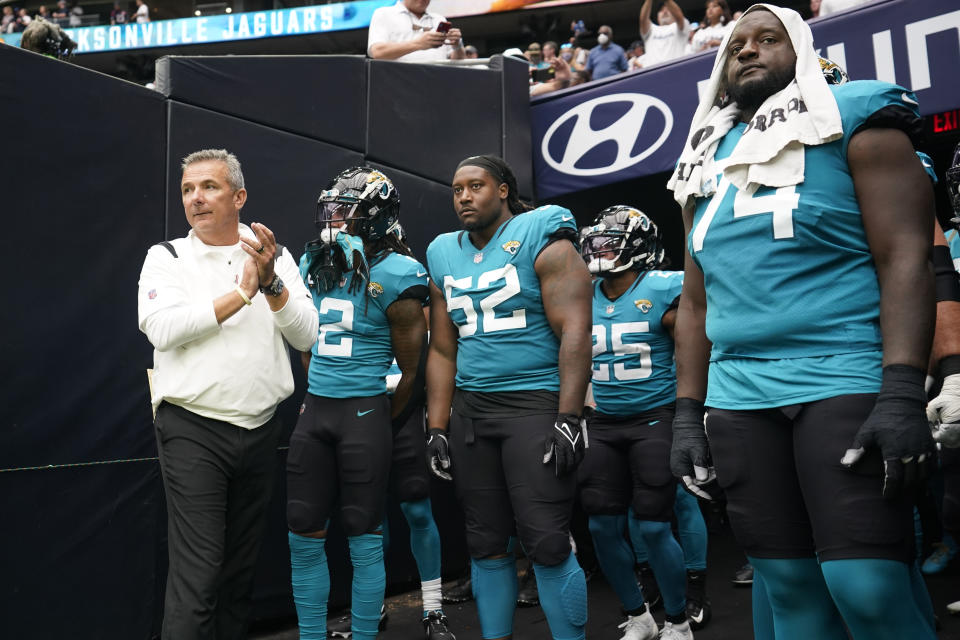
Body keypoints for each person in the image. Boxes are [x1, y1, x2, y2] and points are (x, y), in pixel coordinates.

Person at [667, 4, 937, 639]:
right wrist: (686, 412)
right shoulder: (705, 155)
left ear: (806, 51)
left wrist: (901, 390)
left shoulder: (855, 117)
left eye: (769, 39)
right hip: (739, 392)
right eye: (737, 44)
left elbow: (906, 257)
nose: (749, 51)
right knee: (787, 588)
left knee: (865, 588)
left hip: (842, 370)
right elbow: (697, 299)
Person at [137, 149, 317, 640]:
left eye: (209, 187)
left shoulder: (270, 254)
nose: (196, 198)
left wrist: (271, 280)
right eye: (188, 190)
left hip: (260, 428)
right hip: (192, 429)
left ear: (239, 196)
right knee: (199, 576)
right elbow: (162, 328)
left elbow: (307, 336)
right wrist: (241, 294)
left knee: (239, 573)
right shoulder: (167, 256)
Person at [425, 155, 593, 640]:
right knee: (484, 544)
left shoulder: (542, 233)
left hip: (533, 407)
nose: (464, 197)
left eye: (475, 186)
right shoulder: (442, 251)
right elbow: (442, 347)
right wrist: (437, 426)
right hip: (473, 414)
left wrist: (570, 415)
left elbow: (576, 331)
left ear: (502, 190)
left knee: (547, 541)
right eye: (456, 189)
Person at [287, 167, 434, 640]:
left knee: (362, 535)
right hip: (317, 410)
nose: (334, 221)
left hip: (364, 413)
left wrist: (373, 416)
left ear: (374, 217)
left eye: (345, 212)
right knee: (302, 532)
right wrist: (327, 389)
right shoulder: (317, 262)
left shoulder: (400, 273)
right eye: (330, 211)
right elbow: (306, 343)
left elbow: (412, 369)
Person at [325, 228, 456, 640]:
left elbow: (421, 359)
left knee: (416, 507)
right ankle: (371, 606)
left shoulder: (403, 277)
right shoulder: (337, 275)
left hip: (397, 404)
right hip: (358, 406)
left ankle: (433, 611)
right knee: (367, 517)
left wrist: (401, 415)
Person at [577, 207, 694, 640]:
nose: (601, 249)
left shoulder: (665, 287)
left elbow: (694, 346)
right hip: (604, 420)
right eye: (598, 241)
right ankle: (639, 615)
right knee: (600, 525)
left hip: (654, 417)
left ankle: (679, 622)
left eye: (611, 241)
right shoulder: (582, 292)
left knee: (653, 524)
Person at [367, 0, 464, 63]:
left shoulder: (439, 18)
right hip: (398, 87)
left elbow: (458, 62)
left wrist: (457, 45)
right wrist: (418, 44)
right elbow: (377, 52)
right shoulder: (384, 13)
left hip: (436, 85)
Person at [639, 0, 692, 67]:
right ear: (657, 16)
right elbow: (643, 19)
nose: (665, 12)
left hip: (675, 71)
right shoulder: (651, 30)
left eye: (668, 9)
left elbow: (679, 16)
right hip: (652, 74)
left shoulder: (679, 28)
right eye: (661, 10)